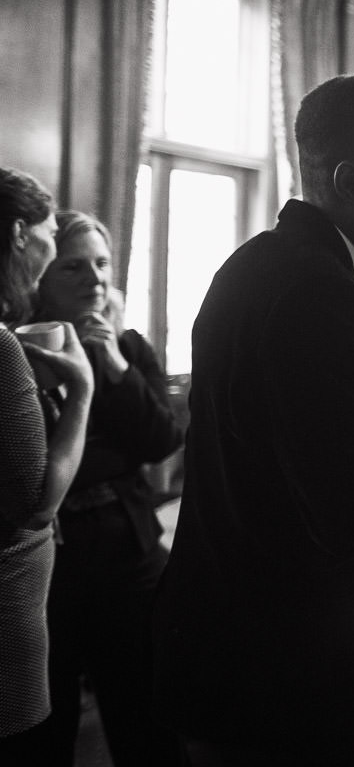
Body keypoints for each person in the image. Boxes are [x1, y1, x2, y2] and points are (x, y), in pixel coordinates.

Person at [151, 72, 354, 766]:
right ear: (350, 180)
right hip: (277, 664)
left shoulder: (256, 264)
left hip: (230, 633)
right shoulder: (317, 291)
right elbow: (349, 511)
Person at [33, 211, 183, 765]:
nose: (95, 278)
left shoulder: (130, 346)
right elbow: (37, 464)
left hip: (127, 539)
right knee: (48, 717)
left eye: (102, 264)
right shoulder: (20, 350)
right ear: (40, 279)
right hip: (52, 551)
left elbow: (161, 438)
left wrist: (115, 365)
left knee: (146, 706)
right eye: (73, 267)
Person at [0, 169, 93, 759]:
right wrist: (80, 392)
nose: (51, 249)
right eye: (48, 237)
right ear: (17, 234)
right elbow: (38, 505)